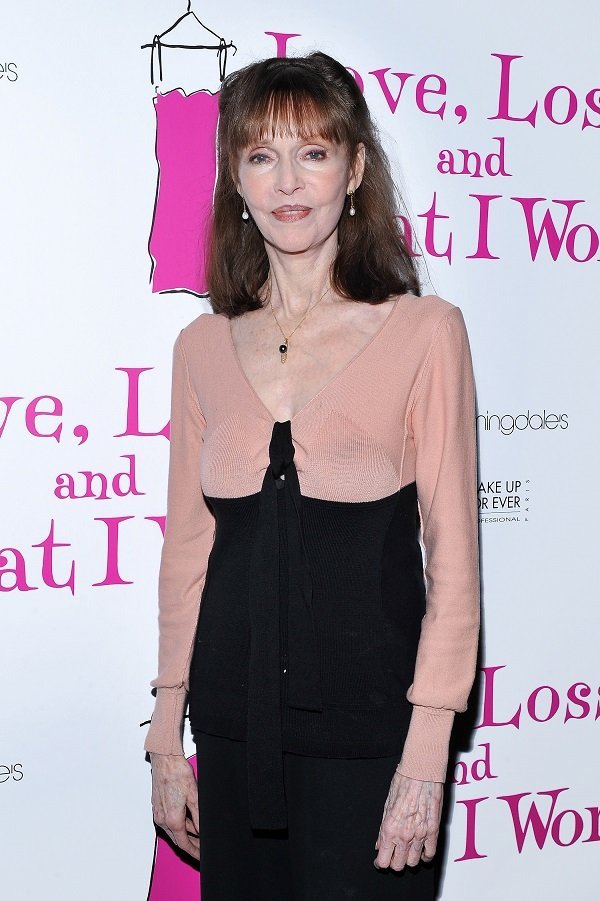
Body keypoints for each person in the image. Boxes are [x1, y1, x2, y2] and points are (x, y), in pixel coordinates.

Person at [144, 51, 480, 900]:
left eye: (315, 152)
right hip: (230, 731)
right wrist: (163, 734)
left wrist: (426, 753)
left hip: (374, 741)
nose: (288, 181)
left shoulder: (424, 331)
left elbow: (455, 562)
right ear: (236, 179)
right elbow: (187, 552)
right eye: (261, 155)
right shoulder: (202, 347)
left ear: (355, 168)